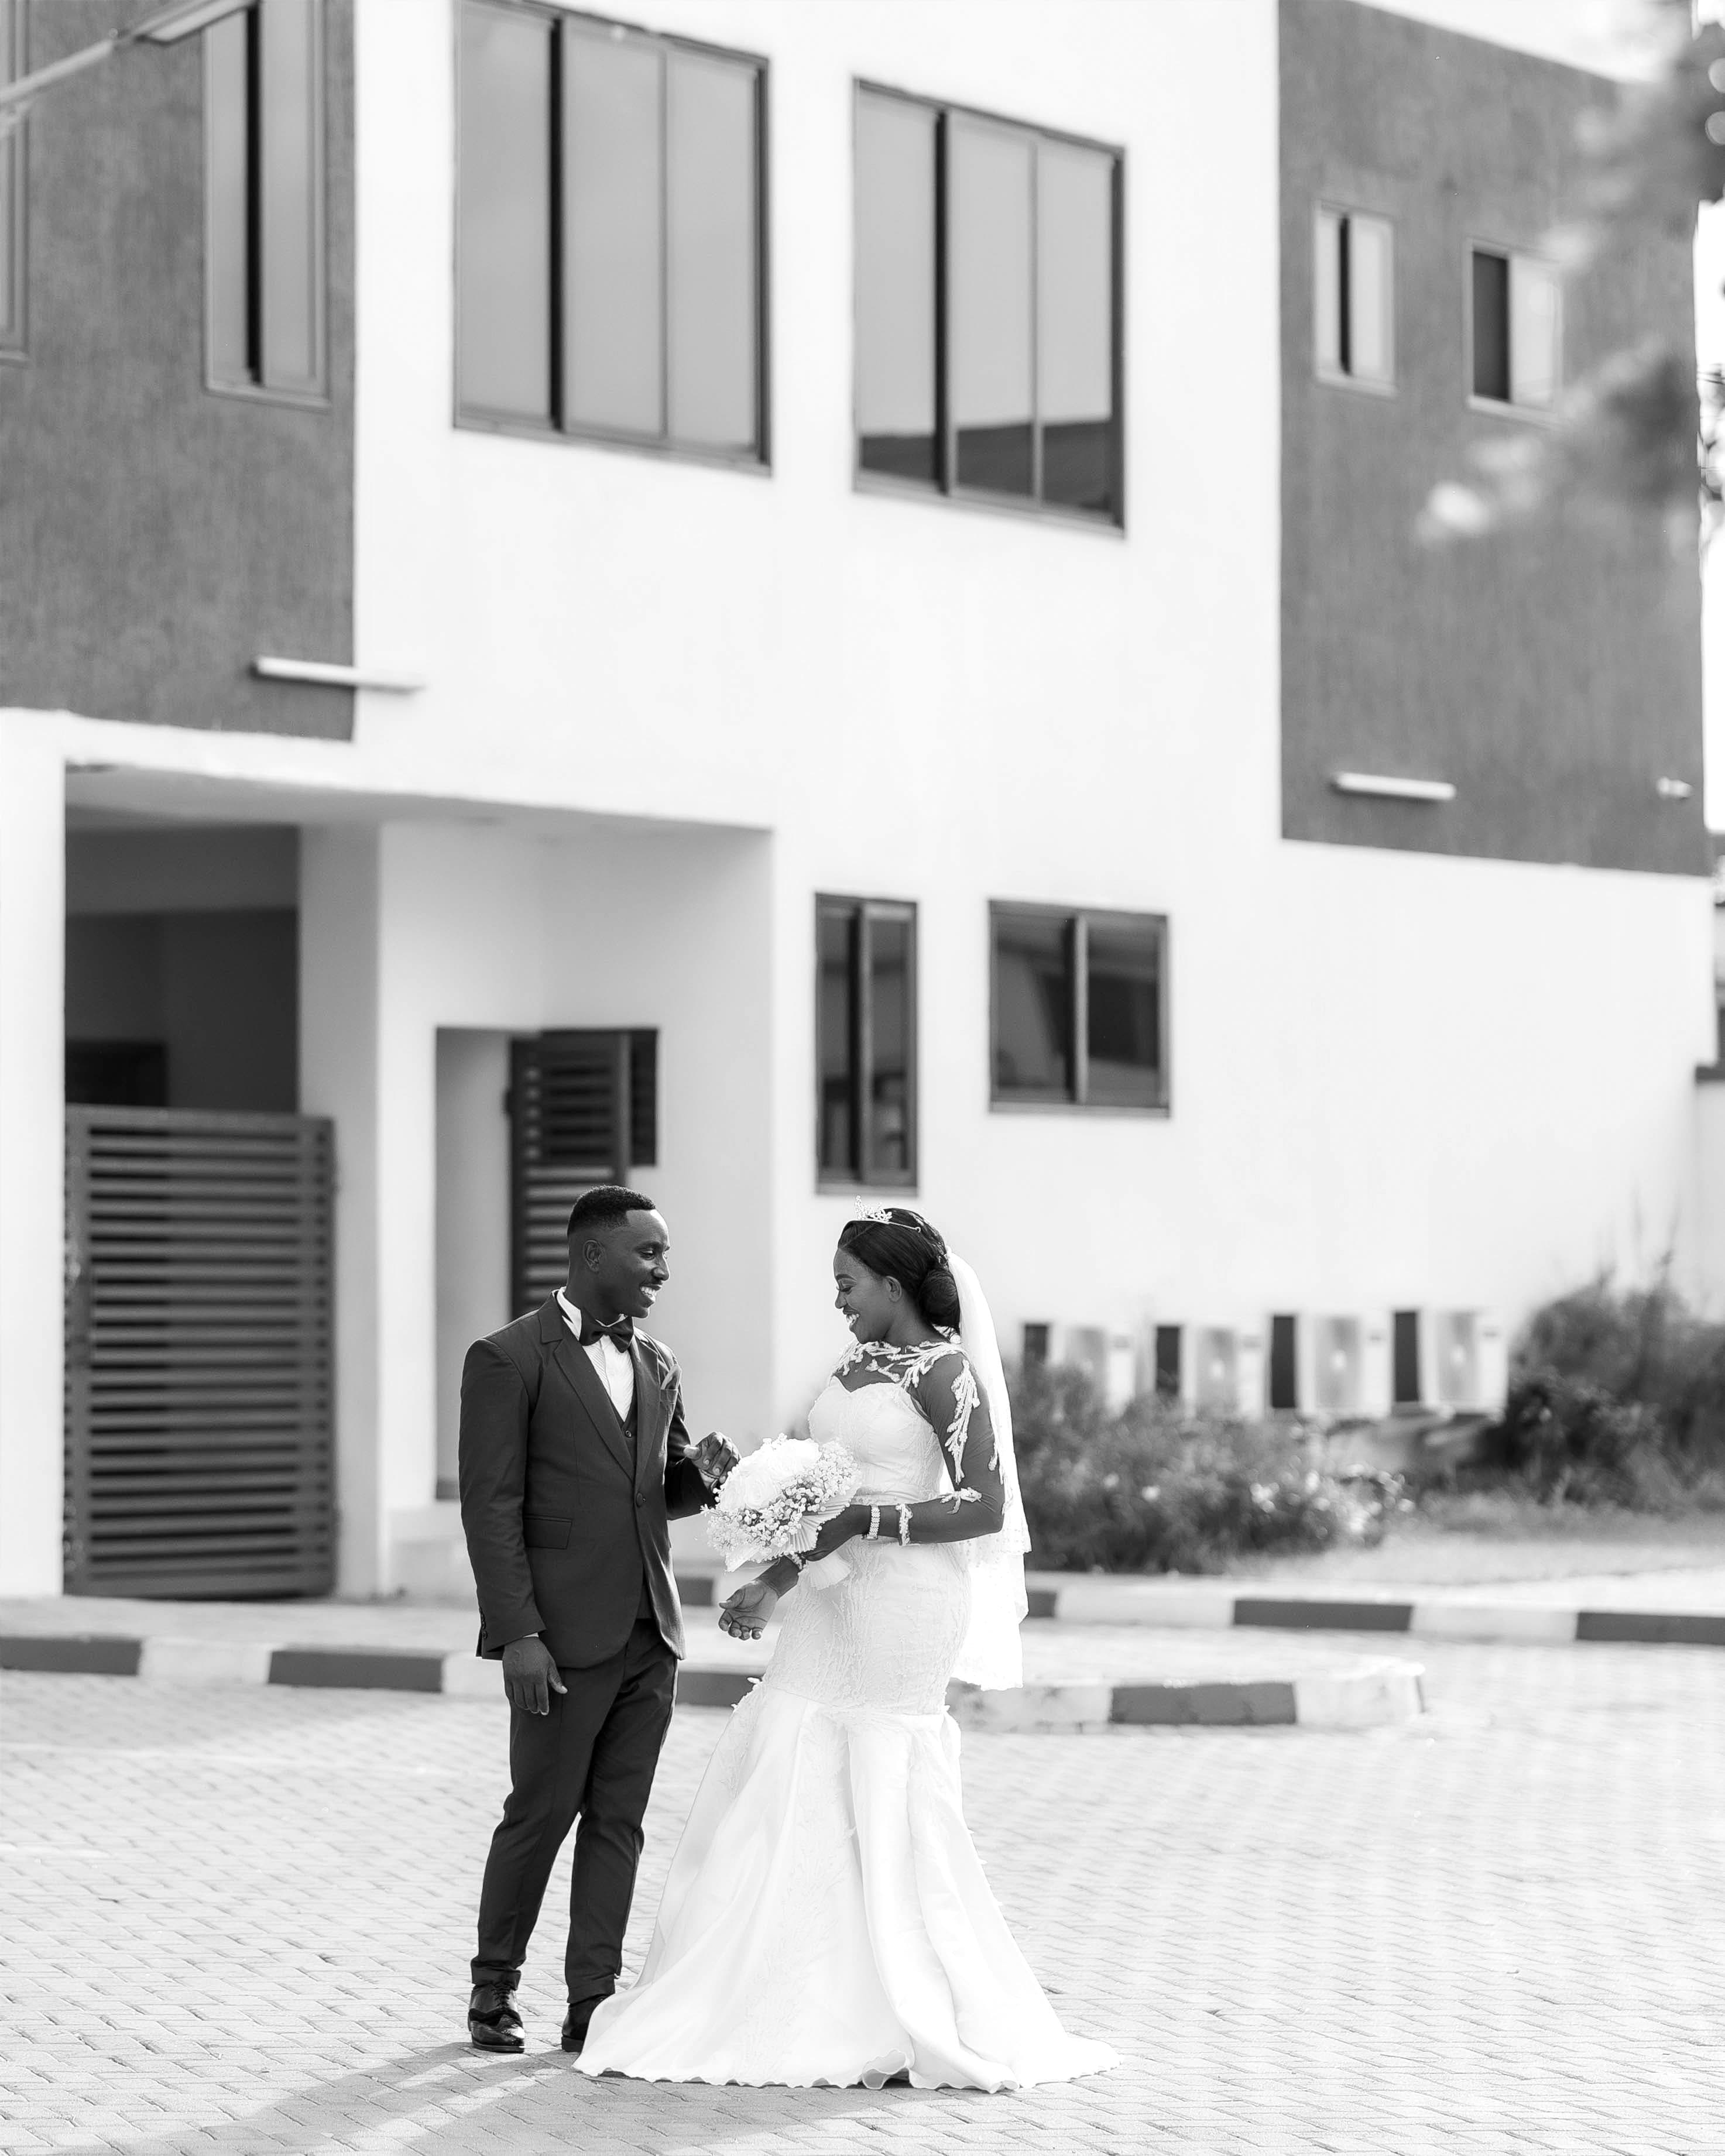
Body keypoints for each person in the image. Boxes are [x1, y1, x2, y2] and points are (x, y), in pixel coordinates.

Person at [575, 1206, 1117, 2090]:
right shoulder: (848, 1368)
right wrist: (774, 1578)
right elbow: (823, 1500)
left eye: (848, 1284)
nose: (838, 1302)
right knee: (790, 1749)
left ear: (894, 1285)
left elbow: (984, 1506)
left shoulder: (948, 1374)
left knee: (880, 1772)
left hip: (908, 1605)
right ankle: (774, 1997)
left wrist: (868, 1520)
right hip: (830, 1602)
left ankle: (899, 2007)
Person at [458, 1185, 738, 2057]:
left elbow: (657, 1490)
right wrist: (519, 1635)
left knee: (620, 1821)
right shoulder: (508, 1358)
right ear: (592, 1255)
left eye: (664, 1255)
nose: (663, 1271)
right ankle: (493, 1991)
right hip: (560, 1638)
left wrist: (706, 1476)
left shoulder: (659, 1361)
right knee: (539, 1815)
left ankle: (593, 2002)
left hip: (651, 1633)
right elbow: (490, 1509)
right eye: (648, 1253)